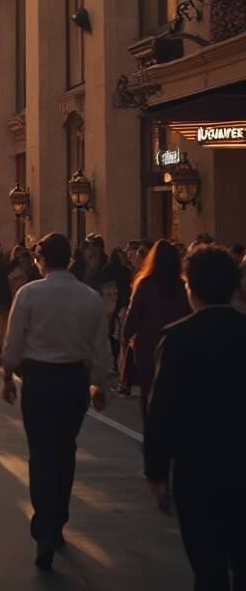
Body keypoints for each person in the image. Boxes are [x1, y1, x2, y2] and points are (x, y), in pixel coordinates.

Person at [0, 232, 112, 572]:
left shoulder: (29, 294)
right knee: (65, 451)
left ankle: (44, 526)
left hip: (39, 380)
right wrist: (100, 383)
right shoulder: (89, 297)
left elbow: (14, 338)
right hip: (74, 381)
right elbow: (100, 346)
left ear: (41, 259)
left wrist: (7, 376)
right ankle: (57, 520)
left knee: (41, 454)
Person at [144, 244, 246, 590]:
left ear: (191, 287)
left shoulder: (178, 339)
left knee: (208, 568)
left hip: (198, 469)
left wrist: (156, 470)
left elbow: (162, 409)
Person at [121, 239, 190, 419]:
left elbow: (133, 314)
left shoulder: (145, 284)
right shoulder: (183, 286)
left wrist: (126, 335)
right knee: (175, 387)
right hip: (177, 344)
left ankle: (151, 429)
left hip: (148, 345)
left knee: (148, 389)